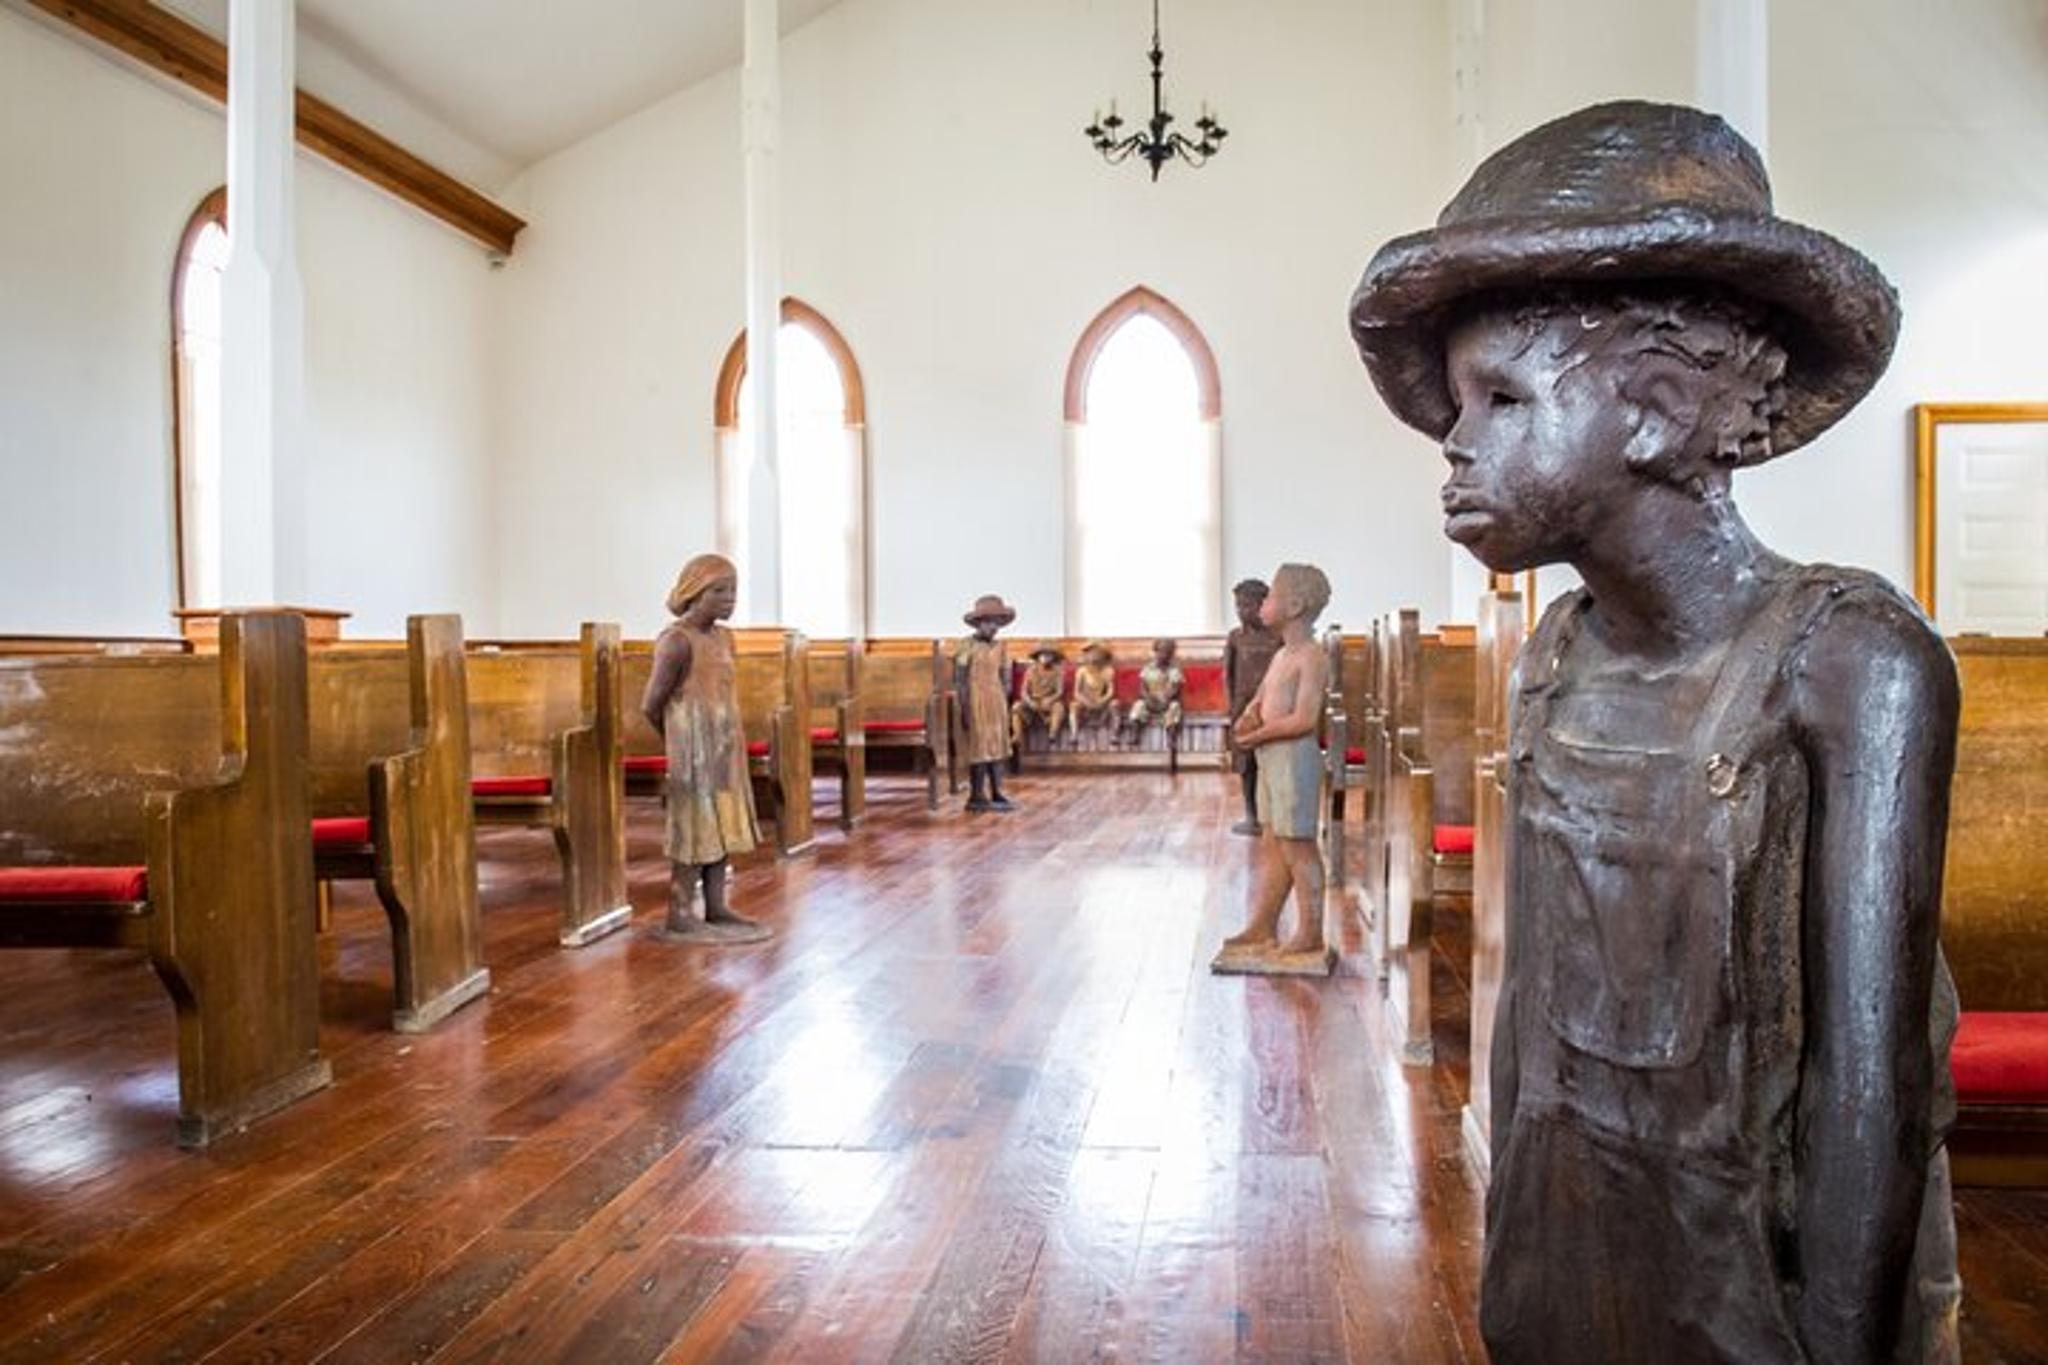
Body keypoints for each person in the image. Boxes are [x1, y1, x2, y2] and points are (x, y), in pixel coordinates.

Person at [1350, 100, 1960, 1363]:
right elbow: (1528, 1020)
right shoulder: (1559, 654)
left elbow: (1872, 1088)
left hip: (1767, 1277)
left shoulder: (1847, 663)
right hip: (1578, 1243)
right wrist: (1512, 1261)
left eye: (1501, 399)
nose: (1453, 445)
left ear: (1654, 407)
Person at [640, 553, 772, 945]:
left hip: (724, 747)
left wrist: (723, 739)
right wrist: (681, 742)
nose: (729, 598)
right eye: (719, 590)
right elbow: (651, 704)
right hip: (692, 751)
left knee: (723, 826)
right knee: (693, 831)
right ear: (694, 592)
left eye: (733, 590)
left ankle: (716, 907)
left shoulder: (723, 637)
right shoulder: (676, 641)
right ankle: (679, 914)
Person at [1213, 563, 1333, 972]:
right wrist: (1248, 718)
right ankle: (1263, 926)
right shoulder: (1282, 653)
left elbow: (1304, 719)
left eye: (1270, 597)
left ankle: (1311, 932)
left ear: (1295, 605)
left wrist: (1259, 735)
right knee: (1273, 844)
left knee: (1298, 845)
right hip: (1270, 759)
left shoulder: (1311, 656)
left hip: (1293, 759)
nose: (1262, 604)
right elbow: (1260, 700)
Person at [1223, 578, 1282, 835]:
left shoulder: (1278, 637)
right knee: (1246, 765)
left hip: (1273, 707)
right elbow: (1229, 675)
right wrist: (1234, 709)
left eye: (1247, 605)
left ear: (1263, 605)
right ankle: (1251, 815)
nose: (1242, 611)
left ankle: (1274, 814)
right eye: (1238, 606)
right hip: (1242, 706)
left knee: (1273, 760)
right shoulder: (1235, 638)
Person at [955, 594, 1017, 811]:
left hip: (996, 698)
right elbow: (960, 678)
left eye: (997, 622)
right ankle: (976, 795)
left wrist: (1005, 696)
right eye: (990, 622)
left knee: (997, 745)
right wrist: (964, 706)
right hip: (976, 697)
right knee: (979, 746)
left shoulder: (1001, 647)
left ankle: (997, 792)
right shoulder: (966, 645)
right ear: (979, 623)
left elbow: (1004, 675)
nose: (994, 627)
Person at [1126, 637, 1185, 745]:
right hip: (1150, 700)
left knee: (1175, 707)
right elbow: (1142, 687)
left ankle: (1171, 737)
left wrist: (1165, 699)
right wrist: (1148, 698)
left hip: (1166, 700)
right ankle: (1135, 734)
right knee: (1138, 706)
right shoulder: (1148, 668)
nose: (1164, 654)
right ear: (1155, 652)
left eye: (1167, 652)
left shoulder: (1174, 669)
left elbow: (1175, 689)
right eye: (1161, 651)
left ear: (1171, 654)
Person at [1010, 642, 1068, 749]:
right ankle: (1017, 735)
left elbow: (1059, 691)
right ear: (1038, 656)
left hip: (1049, 703)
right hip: (1033, 702)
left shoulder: (1058, 672)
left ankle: (1052, 734)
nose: (1046, 657)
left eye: (1049, 655)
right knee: (1016, 707)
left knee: (1059, 708)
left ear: (1053, 657)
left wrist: (1050, 700)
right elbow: (1024, 691)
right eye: (1043, 654)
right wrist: (1030, 702)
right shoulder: (1031, 671)